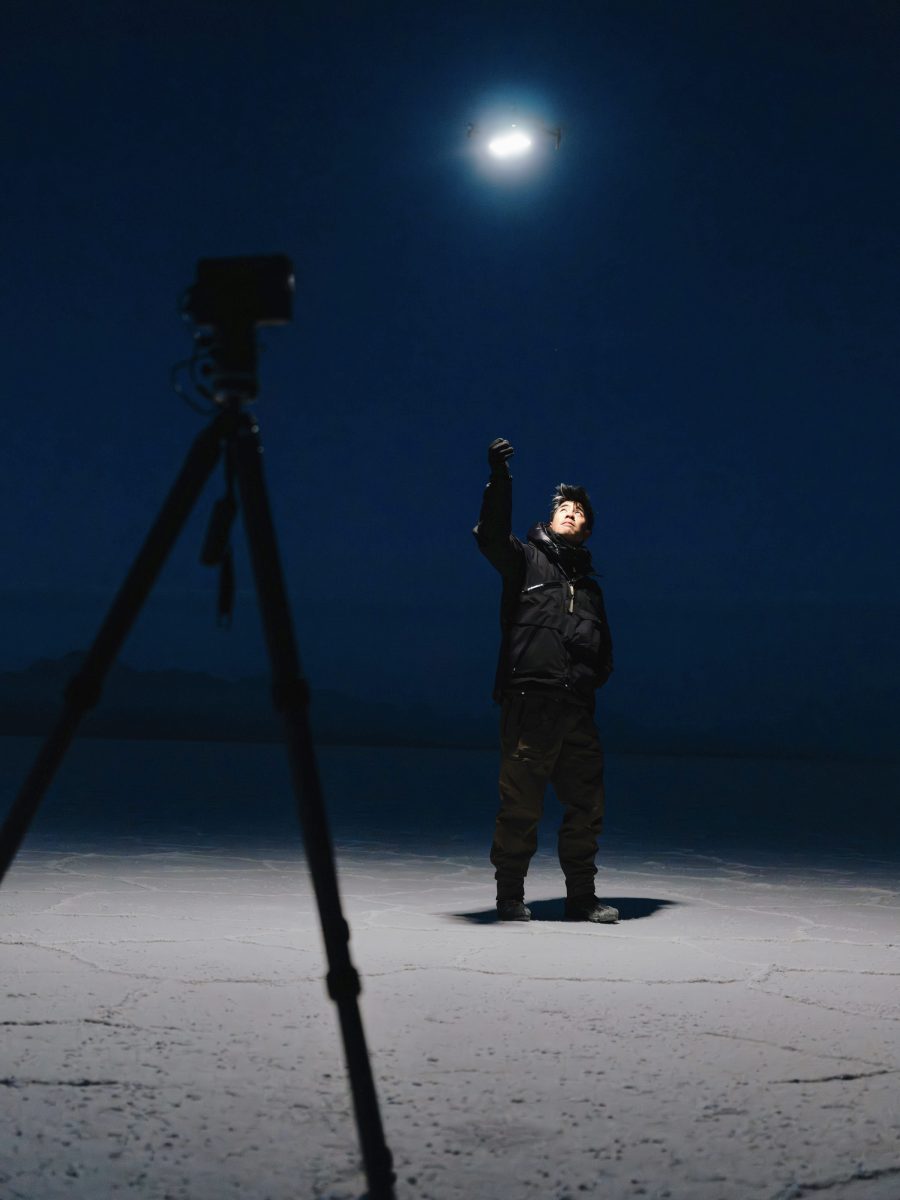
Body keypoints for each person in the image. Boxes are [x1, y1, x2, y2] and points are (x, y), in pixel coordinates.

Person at [473, 437, 618, 923]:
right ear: (551, 517)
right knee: (521, 805)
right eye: (564, 508)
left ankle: (582, 897)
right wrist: (500, 479)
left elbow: (605, 654)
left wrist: (586, 682)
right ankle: (509, 897)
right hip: (530, 702)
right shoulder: (524, 561)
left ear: (588, 529)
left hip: (576, 710)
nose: (571, 514)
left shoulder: (591, 589)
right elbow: (491, 533)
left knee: (587, 808)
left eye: (579, 512)